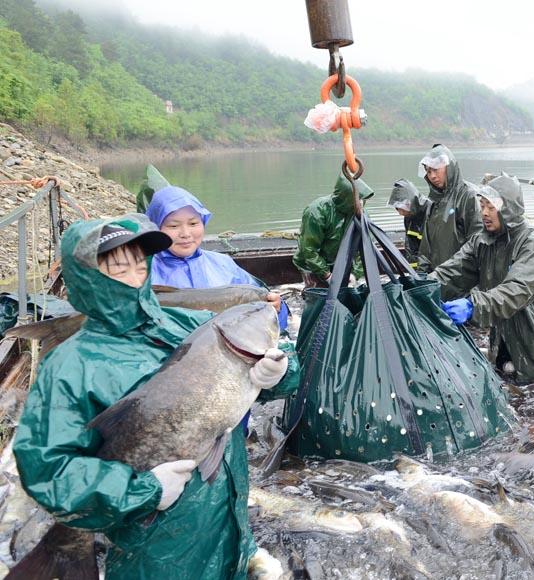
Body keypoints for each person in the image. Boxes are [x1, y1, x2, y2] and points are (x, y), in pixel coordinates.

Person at [12, 215, 299, 579]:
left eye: (138, 264)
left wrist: (279, 371)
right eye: (117, 269)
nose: (134, 278)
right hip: (155, 552)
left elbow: (275, 375)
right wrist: (144, 489)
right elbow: (48, 471)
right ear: (87, 278)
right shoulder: (70, 366)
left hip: (228, 529)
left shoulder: (182, 322)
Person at [431, 172, 534, 384]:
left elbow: (514, 292)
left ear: (509, 208)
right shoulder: (482, 242)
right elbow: (452, 272)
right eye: (482, 205)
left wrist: (472, 307)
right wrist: (422, 288)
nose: (484, 213)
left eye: (491, 207)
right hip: (504, 340)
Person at [145, 185, 289, 330]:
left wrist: (277, 307)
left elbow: (274, 319)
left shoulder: (223, 263)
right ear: (155, 228)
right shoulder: (141, 271)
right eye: (173, 226)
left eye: (193, 223)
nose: (186, 233)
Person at [292, 173, 374, 287]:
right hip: (311, 264)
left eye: (362, 200)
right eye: (358, 199)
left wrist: (355, 274)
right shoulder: (316, 212)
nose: (361, 203)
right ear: (347, 198)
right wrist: (327, 275)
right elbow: (309, 250)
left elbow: (365, 248)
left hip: (338, 263)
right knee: (318, 297)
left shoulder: (360, 215)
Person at [415, 144, 482, 273]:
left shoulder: (468, 196)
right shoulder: (433, 202)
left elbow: (477, 242)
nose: (432, 176)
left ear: (448, 167)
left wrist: (447, 273)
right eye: (428, 171)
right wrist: (421, 277)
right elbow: (425, 249)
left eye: (435, 169)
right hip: (438, 281)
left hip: (463, 282)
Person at [386, 178, 429, 269]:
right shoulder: (408, 218)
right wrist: (414, 273)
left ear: (411, 203)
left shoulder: (432, 212)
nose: (400, 213)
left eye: (401, 208)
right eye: (397, 208)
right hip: (420, 268)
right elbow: (411, 249)